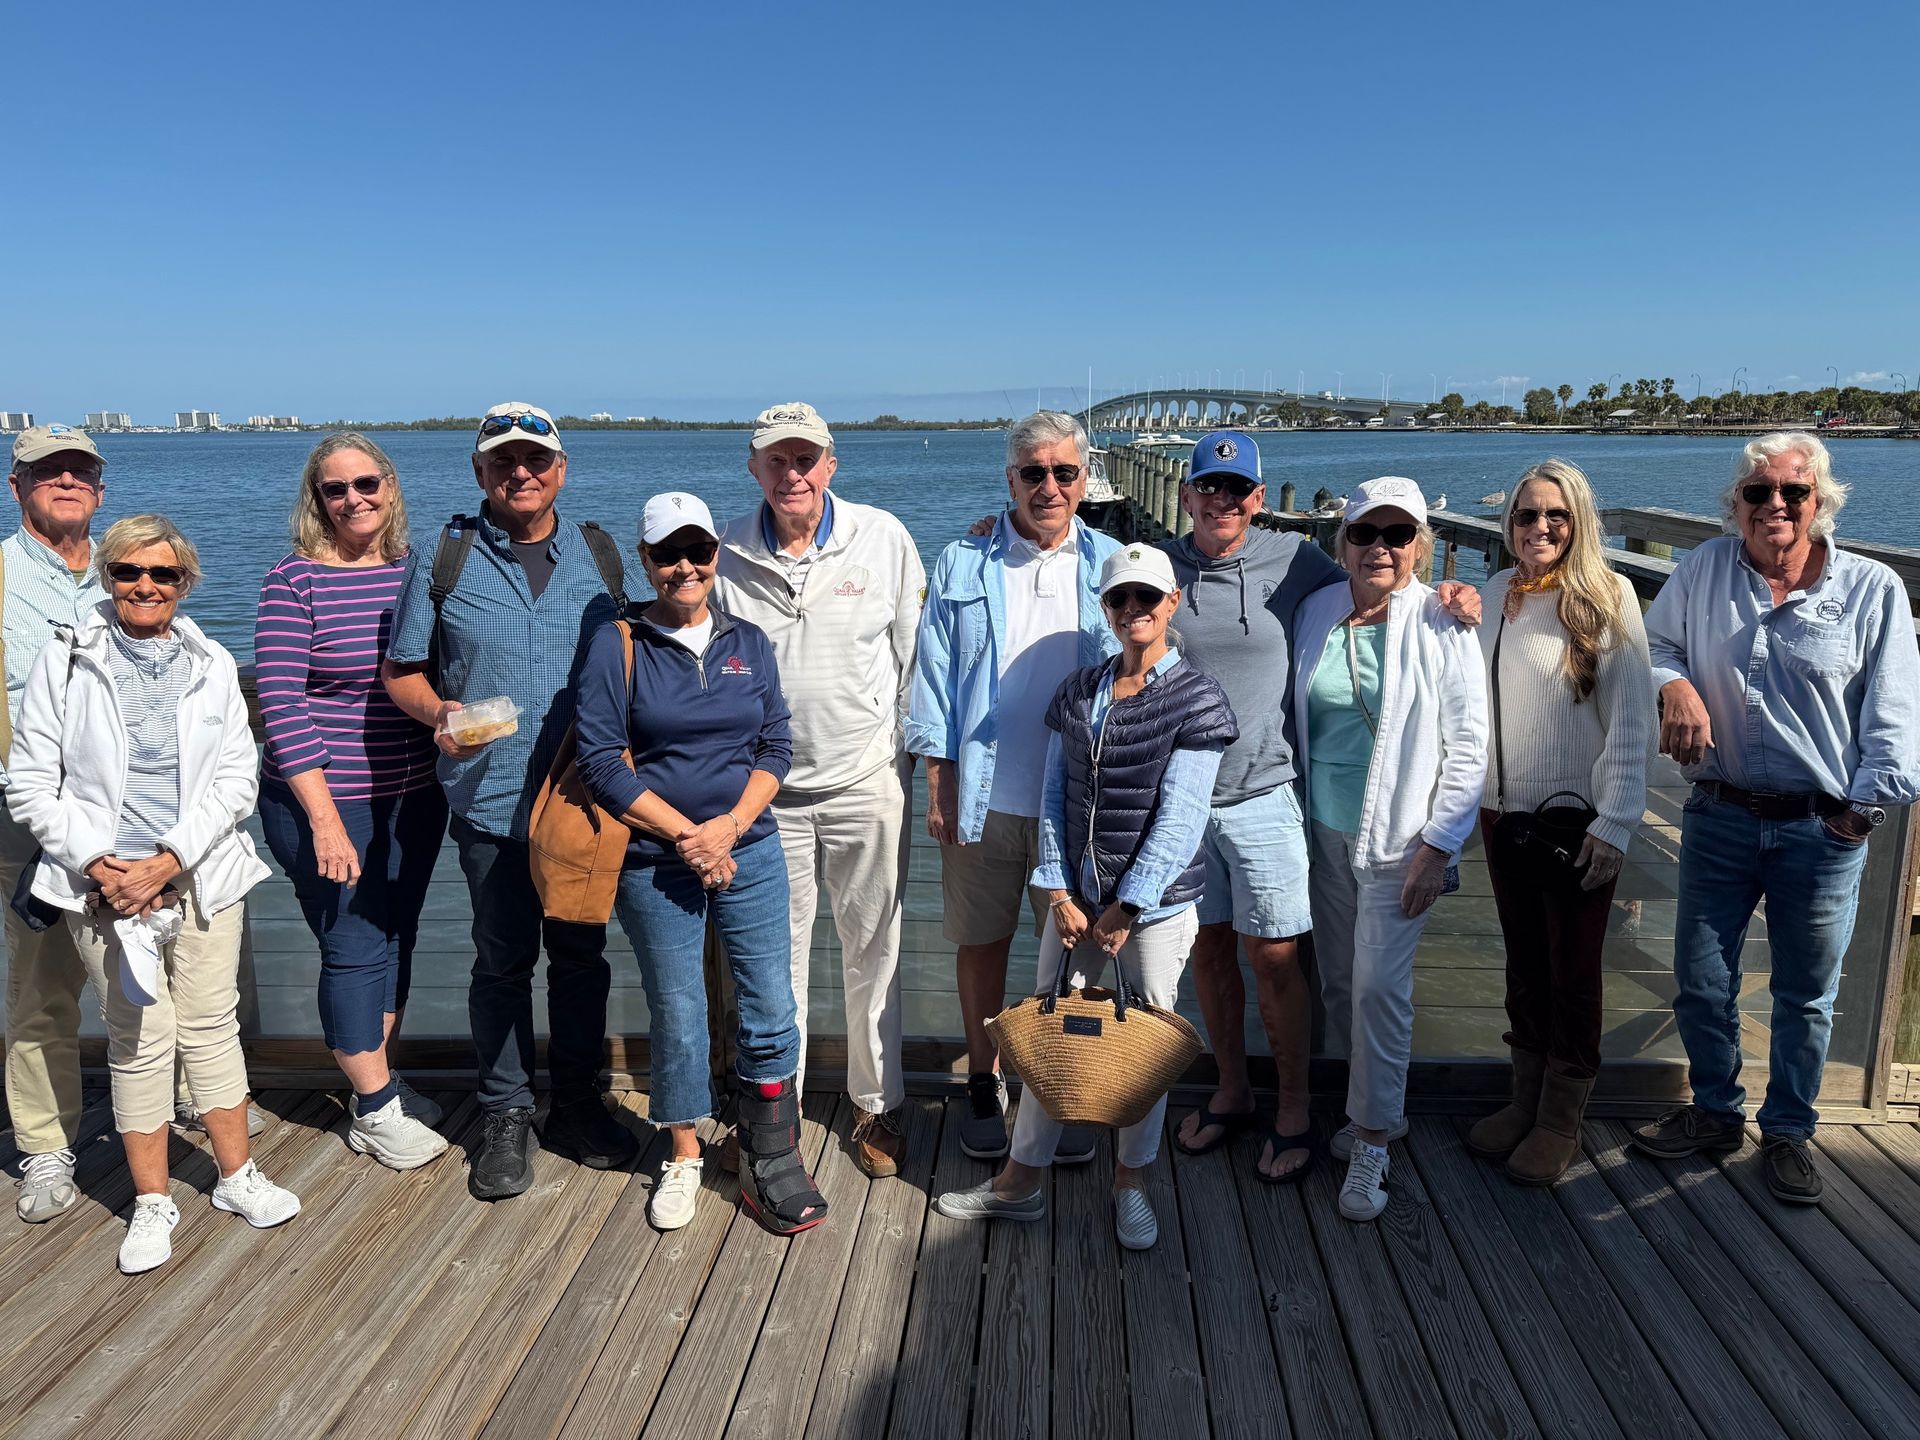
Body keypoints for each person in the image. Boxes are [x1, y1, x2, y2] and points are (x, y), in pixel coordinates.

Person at [1632, 432, 1918, 1204]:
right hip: (1719, 813)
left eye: (1794, 491)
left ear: (1820, 502)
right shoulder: (1700, 570)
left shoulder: (1871, 589)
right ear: (1737, 506)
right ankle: (1717, 1113)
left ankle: (1789, 1128)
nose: (1777, 505)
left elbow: (1894, 718)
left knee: (1804, 995)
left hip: (1820, 829)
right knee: (1700, 979)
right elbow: (1655, 647)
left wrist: (1858, 817)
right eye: (1759, 493)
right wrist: (1674, 685)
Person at [8, 515, 298, 1272]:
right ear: (106, 577)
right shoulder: (66, 659)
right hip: (104, 888)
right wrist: (103, 864)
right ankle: (153, 1200)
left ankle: (236, 1176)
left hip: (201, 878)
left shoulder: (209, 658)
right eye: (129, 572)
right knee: (139, 1046)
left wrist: (169, 857)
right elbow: (31, 782)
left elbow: (237, 778)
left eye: (163, 575)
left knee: (212, 1027)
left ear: (184, 583)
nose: (145, 586)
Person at [933, 543, 1236, 1249]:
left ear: (1172, 602)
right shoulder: (1080, 690)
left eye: (1147, 598)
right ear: (1106, 608)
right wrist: (1059, 889)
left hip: (1151, 914)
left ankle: (1132, 1182)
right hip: (1076, 904)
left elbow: (1182, 816)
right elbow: (1050, 797)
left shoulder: (1196, 697)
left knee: (1147, 1046)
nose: (1135, 610)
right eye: (1120, 599)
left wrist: (1126, 907)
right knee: (1048, 1032)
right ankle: (1020, 1181)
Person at [383, 403, 639, 1201]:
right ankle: (504, 1110)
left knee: (580, 960)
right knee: (501, 963)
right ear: (479, 472)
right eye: (503, 462)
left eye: (535, 460)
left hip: (582, 805)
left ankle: (577, 1102)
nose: (520, 473)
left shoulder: (601, 553)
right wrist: (441, 715)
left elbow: (637, 654)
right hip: (487, 801)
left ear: (560, 470)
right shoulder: (444, 555)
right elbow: (402, 672)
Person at [575, 492, 827, 1236]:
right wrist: (691, 836)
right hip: (656, 860)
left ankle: (770, 1149)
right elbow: (601, 764)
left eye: (698, 551)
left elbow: (775, 746)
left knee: (770, 1005)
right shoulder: (617, 643)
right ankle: (684, 1148)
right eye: (666, 554)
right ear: (646, 560)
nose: (685, 567)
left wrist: (730, 828)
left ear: (717, 554)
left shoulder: (748, 637)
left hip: (749, 847)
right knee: (680, 1011)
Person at [714, 403, 925, 1178]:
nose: (792, 473)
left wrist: (903, 763)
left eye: (806, 459)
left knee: (877, 952)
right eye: (777, 459)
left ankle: (877, 1107)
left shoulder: (884, 536)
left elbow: (913, 661)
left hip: (867, 783)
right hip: (762, 798)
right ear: (754, 467)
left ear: (831, 465)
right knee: (773, 965)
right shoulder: (725, 549)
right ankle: (778, 1115)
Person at [907, 412, 1121, 1161]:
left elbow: (1161, 654)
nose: (1050, 487)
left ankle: (1054, 1088)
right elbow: (932, 681)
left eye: (1064, 472)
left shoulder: (1115, 562)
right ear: (1011, 480)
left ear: (1085, 480)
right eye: (1034, 472)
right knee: (981, 943)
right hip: (984, 796)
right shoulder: (962, 562)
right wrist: (937, 784)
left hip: (1078, 803)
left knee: (1072, 955)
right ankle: (983, 1081)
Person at [1291, 477, 1488, 1221]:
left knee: (1380, 989)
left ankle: (1372, 1139)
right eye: (1365, 533)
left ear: (1421, 548)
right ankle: (1377, 1107)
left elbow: (1471, 744)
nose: (1380, 548)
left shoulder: (1442, 620)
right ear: (1341, 543)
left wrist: (1440, 845)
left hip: (1402, 842)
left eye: (1398, 535)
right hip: (1322, 831)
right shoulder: (1316, 610)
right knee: (1341, 983)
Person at [255, 434, 449, 1170]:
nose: (353, 499)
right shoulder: (292, 581)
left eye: (366, 483)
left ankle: (384, 1087)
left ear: (390, 488)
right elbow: (279, 701)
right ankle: (372, 1110)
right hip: (325, 802)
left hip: (414, 795)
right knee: (352, 945)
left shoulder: (413, 574)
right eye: (335, 490)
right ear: (317, 500)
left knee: (397, 936)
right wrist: (326, 820)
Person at [1465, 460, 1653, 1184]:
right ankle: (1524, 1098)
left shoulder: (1609, 596)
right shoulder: (1492, 594)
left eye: (1555, 515)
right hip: (1500, 814)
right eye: (1524, 516)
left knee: (1574, 972)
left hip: (1575, 822)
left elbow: (1632, 719)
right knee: (1524, 965)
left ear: (1578, 522)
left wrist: (1618, 822)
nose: (1539, 528)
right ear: (1507, 525)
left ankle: (1560, 1118)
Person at [3, 425, 109, 1224]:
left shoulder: (132, 568)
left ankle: (181, 1099)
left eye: (80, 472)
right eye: (48, 473)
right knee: (42, 990)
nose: (65, 482)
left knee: (151, 973)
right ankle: (45, 1147)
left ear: (99, 491)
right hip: (25, 819)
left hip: (128, 817)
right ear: (18, 487)